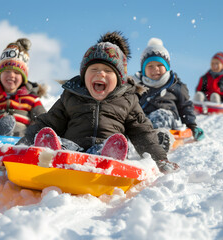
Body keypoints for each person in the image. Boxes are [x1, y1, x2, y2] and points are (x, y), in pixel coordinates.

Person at [17, 31, 178, 174]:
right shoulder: (71, 96)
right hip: (73, 150)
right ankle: (53, 152)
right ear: (83, 76)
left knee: (113, 145)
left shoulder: (127, 100)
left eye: (108, 71)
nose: (100, 73)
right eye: (93, 69)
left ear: (119, 80)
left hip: (106, 149)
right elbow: (48, 121)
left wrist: (160, 159)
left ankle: (107, 158)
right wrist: (20, 148)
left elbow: (142, 133)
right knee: (62, 143)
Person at [133, 38, 204, 152]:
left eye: (159, 65)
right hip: (145, 122)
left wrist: (192, 126)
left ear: (166, 67)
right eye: (150, 66)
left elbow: (185, 106)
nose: (155, 69)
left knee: (160, 115)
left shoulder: (175, 85)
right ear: (143, 70)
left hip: (169, 120)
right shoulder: (138, 87)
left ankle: (158, 143)